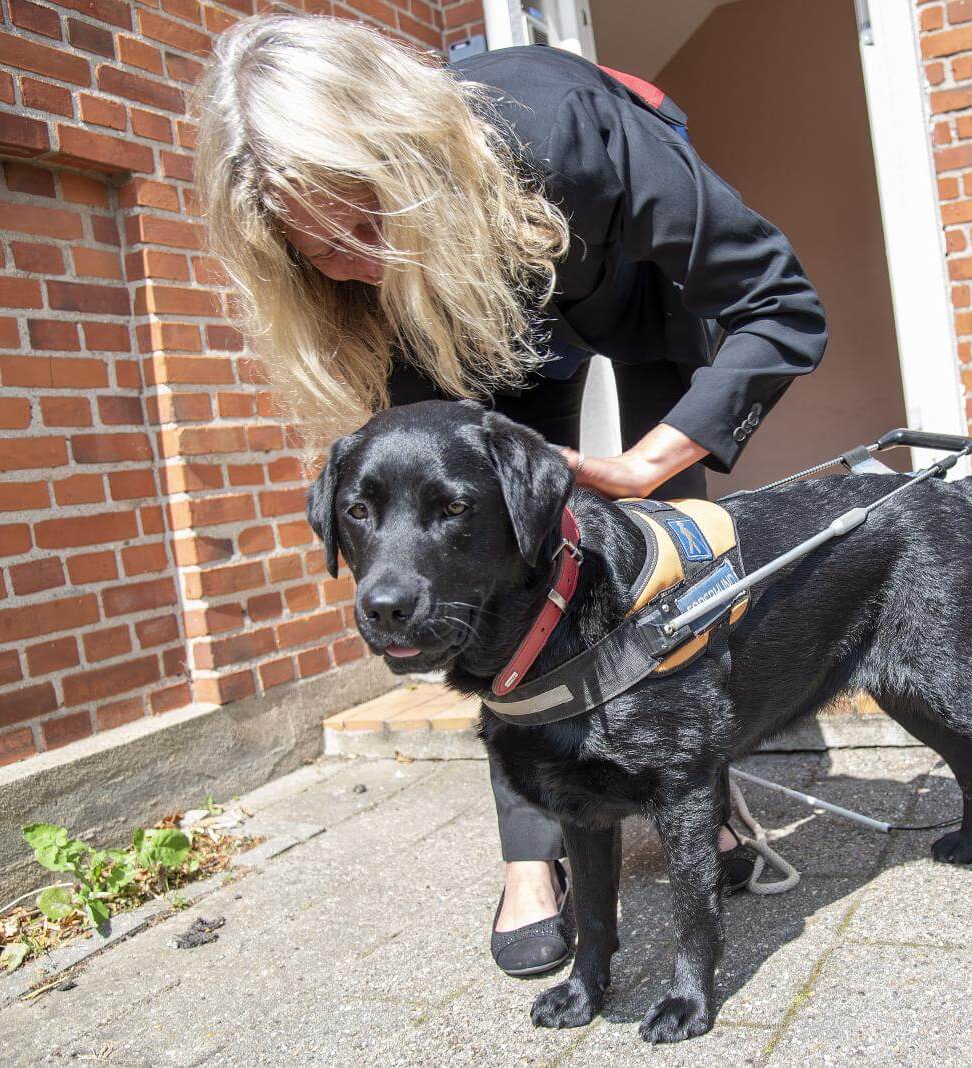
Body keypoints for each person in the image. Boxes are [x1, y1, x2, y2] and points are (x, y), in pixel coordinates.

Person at [193, 14, 829, 978]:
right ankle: (531, 857)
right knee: (479, 559)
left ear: (406, 159)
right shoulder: (371, 279)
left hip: (621, 276)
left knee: (677, 547)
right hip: (464, 322)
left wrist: (647, 465)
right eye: (323, 250)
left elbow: (776, 305)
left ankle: (705, 785)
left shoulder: (566, 130)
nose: (362, 258)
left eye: (368, 218)